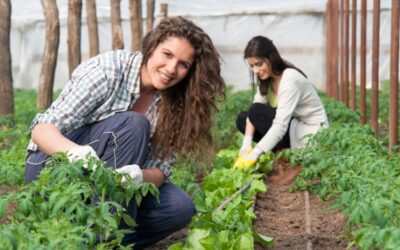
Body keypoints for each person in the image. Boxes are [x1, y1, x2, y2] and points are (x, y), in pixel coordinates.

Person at [25, 16, 225, 248]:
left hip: (106, 187)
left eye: (183, 64)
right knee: (134, 124)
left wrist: (139, 176)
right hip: (53, 170)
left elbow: (161, 169)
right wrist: (75, 153)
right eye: (167, 55)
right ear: (151, 47)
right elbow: (41, 130)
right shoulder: (107, 71)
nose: (172, 69)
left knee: (178, 207)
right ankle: (111, 238)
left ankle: (95, 238)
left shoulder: (177, 103)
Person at [234, 36, 328, 169]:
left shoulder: (290, 79)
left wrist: (255, 153)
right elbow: (253, 109)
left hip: (310, 135)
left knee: (256, 111)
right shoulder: (267, 79)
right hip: (294, 128)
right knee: (243, 119)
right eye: (251, 66)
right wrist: (247, 143)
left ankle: (285, 156)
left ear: (271, 58)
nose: (255, 71)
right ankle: (281, 153)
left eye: (259, 64)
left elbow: (280, 125)